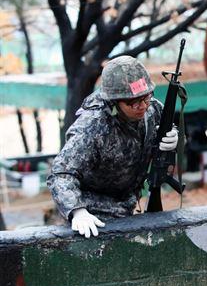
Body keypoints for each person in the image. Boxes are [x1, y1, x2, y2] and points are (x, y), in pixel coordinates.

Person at [47, 56, 179, 238]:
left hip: (128, 204)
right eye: (133, 102)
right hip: (93, 214)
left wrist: (173, 139)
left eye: (146, 97)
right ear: (115, 101)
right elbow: (61, 174)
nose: (142, 106)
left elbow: (167, 130)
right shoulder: (92, 126)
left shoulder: (152, 109)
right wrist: (78, 211)